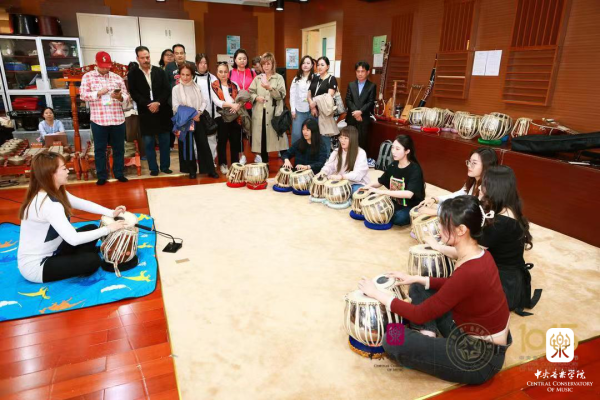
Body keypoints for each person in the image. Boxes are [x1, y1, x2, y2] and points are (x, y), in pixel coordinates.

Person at [357, 195, 511, 385]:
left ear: (462, 230)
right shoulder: (480, 254)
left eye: (443, 223)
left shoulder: (471, 270)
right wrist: (416, 278)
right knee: (419, 287)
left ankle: (425, 340)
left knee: (392, 339)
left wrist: (378, 294)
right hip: (466, 330)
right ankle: (428, 335)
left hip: (479, 358)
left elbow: (420, 313)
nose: (438, 227)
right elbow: (455, 286)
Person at [426, 166, 542, 315]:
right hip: (505, 274)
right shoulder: (505, 209)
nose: (479, 187)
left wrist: (436, 245)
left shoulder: (501, 223)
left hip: (504, 285)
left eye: (484, 185)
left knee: (449, 299)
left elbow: (468, 253)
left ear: (496, 189)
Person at [17, 152, 127, 283]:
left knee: (91, 228)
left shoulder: (53, 191)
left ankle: (76, 259)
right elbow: (74, 239)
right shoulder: (49, 204)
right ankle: (80, 259)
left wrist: (111, 212)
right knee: (93, 261)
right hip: (38, 266)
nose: (68, 171)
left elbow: (82, 203)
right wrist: (109, 229)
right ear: (50, 173)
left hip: (56, 249)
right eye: (63, 168)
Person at [79, 51, 129, 186]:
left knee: (119, 148)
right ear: (96, 63)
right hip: (98, 120)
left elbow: (126, 96)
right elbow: (83, 96)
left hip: (117, 119)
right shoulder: (87, 77)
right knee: (100, 149)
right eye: (103, 66)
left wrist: (119, 97)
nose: (106, 68)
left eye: (108, 66)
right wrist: (98, 93)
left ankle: (119, 173)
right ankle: (102, 175)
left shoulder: (117, 78)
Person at [128, 46, 172, 177]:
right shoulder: (133, 74)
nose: (146, 60)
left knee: (165, 141)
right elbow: (134, 93)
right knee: (148, 142)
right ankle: (153, 168)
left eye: (147, 57)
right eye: (142, 58)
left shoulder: (159, 71)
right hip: (145, 113)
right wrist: (149, 104)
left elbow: (166, 89)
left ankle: (165, 166)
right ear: (137, 58)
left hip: (162, 110)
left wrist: (158, 102)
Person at [362, 134, 424, 225]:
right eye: (393, 148)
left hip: (411, 204)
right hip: (394, 201)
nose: (393, 152)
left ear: (407, 151)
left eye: (397, 149)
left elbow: (409, 194)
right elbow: (380, 181)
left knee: (399, 218)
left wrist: (382, 192)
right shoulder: (393, 165)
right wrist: (368, 186)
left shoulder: (415, 169)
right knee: (370, 201)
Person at [418, 147, 497, 216]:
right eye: (469, 162)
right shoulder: (473, 180)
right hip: (465, 216)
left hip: (472, 223)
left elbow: (470, 213)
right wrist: (435, 199)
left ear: (486, 166)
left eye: (474, 163)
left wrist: (436, 212)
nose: (469, 165)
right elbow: (459, 194)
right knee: (437, 206)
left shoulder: (486, 189)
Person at [172, 63, 218, 179]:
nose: (185, 77)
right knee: (187, 146)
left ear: (192, 75)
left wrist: (199, 112)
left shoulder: (196, 86)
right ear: (180, 75)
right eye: (183, 74)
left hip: (198, 118)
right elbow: (175, 106)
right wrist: (192, 114)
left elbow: (203, 102)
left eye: (188, 75)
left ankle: (209, 169)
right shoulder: (176, 89)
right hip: (184, 121)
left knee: (203, 144)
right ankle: (191, 170)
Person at [248, 52, 287, 165]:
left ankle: (286, 163)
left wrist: (269, 88)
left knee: (280, 139)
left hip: (274, 114)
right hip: (260, 113)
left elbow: (281, 95)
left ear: (273, 64)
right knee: (262, 140)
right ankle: (265, 164)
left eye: (268, 63)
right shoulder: (257, 78)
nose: (266, 66)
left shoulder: (278, 78)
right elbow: (251, 92)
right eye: (263, 64)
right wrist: (256, 97)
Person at [211, 61, 242, 174]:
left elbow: (240, 99)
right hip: (221, 117)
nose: (223, 74)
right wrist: (231, 105)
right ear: (217, 73)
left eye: (225, 71)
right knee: (222, 141)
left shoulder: (234, 85)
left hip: (234, 115)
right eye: (220, 72)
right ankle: (223, 164)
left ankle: (235, 164)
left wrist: (236, 107)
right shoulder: (214, 85)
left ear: (228, 72)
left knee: (235, 141)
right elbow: (217, 101)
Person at [319, 125, 369, 191]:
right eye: (341, 137)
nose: (342, 140)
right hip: (341, 182)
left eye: (346, 138)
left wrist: (342, 177)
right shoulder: (336, 152)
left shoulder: (360, 153)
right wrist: (323, 172)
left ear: (352, 139)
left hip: (356, 183)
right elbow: (329, 166)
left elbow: (358, 174)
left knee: (354, 192)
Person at [230, 49, 257, 164]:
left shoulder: (252, 72)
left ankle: (256, 154)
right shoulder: (231, 73)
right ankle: (241, 155)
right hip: (237, 107)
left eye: (244, 58)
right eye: (240, 58)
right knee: (238, 133)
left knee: (252, 131)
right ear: (235, 60)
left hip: (250, 106)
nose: (242, 61)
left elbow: (256, 88)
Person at [308, 56, 339, 152]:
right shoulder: (315, 78)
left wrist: (315, 101)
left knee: (325, 139)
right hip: (313, 112)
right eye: (318, 65)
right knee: (313, 137)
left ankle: (326, 161)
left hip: (324, 114)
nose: (319, 67)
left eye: (322, 65)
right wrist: (312, 106)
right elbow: (309, 95)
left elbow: (329, 96)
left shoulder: (331, 79)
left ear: (327, 66)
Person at [345, 61, 376, 150]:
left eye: (362, 71)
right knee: (349, 144)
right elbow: (348, 100)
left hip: (363, 120)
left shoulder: (371, 86)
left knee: (361, 145)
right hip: (351, 119)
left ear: (368, 72)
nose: (360, 74)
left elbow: (371, 102)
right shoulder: (351, 85)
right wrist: (356, 112)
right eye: (358, 71)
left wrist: (360, 112)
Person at [195, 53, 219, 165]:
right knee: (197, 139)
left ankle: (211, 159)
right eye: (201, 63)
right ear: (196, 64)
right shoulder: (192, 78)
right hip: (196, 114)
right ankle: (199, 160)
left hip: (210, 113)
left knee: (211, 138)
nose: (203, 65)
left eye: (205, 63)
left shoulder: (213, 78)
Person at [290, 55, 315, 145]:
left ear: (312, 65)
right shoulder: (296, 79)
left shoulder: (315, 78)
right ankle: (296, 154)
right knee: (297, 133)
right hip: (299, 110)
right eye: (303, 63)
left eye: (308, 63)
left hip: (311, 110)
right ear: (301, 65)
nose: (305, 65)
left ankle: (310, 154)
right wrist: (293, 110)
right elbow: (292, 95)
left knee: (311, 134)